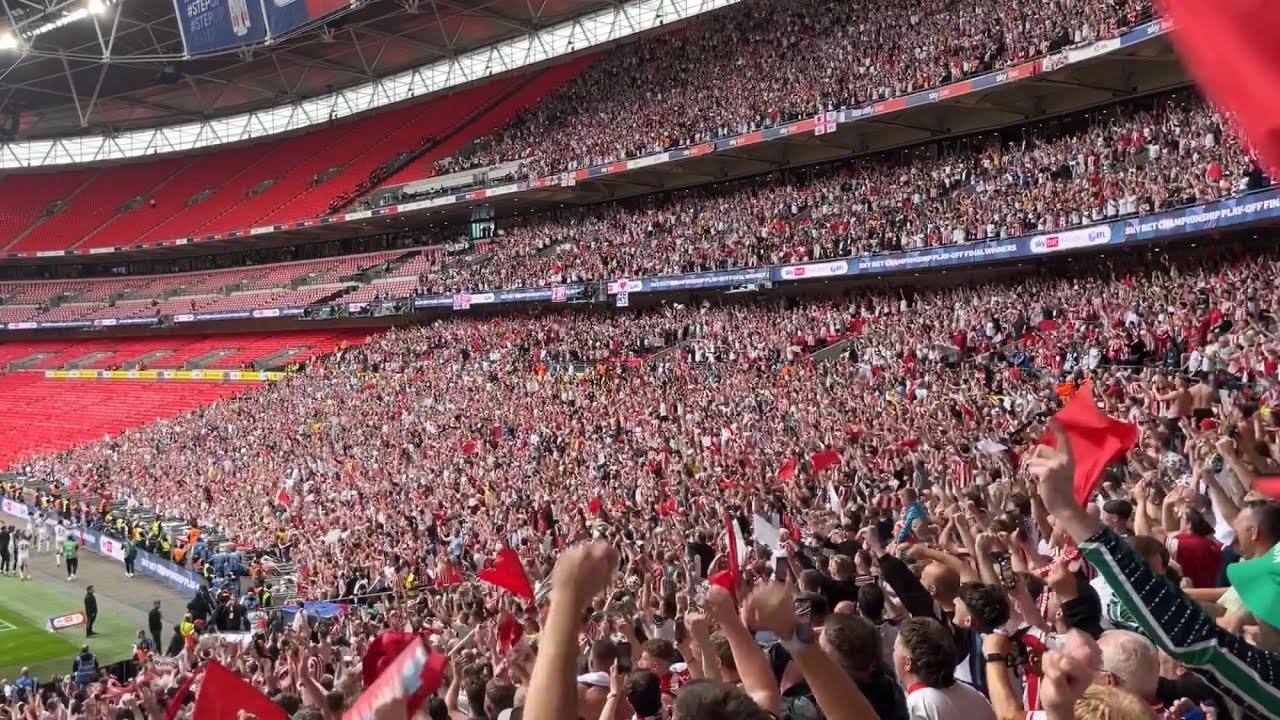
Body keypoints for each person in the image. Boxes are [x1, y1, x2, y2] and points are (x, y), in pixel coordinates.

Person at [891, 617, 995, 720]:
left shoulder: (919, 703)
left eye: (895, 649)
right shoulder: (974, 694)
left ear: (907, 662)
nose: (893, 654)